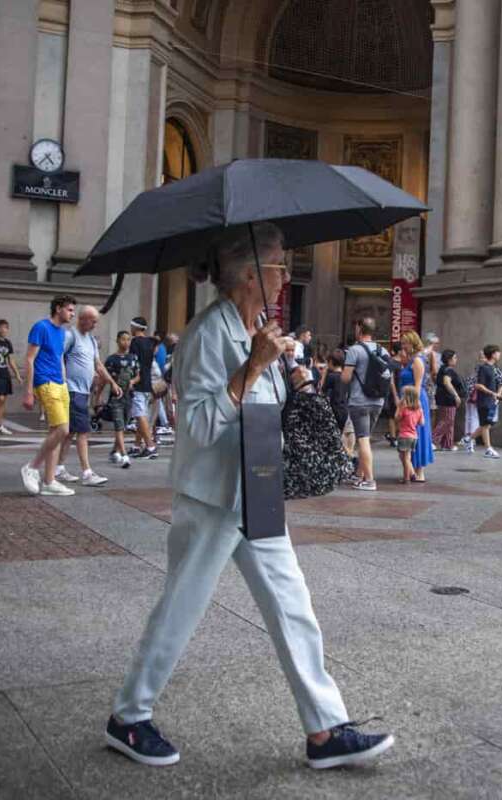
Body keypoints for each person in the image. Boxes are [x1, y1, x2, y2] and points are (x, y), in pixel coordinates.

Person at [107, 223, 393, 769]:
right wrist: (255, 366)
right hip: (213, 496)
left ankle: (325, 729)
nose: (287, 274)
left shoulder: (256, 328)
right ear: (249, 274)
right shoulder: (205, 335)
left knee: (293, 605)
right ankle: (128, 717)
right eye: (280, 264)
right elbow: (197, 424)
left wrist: (293, 376)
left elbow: (265, 406)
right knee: (182, 607)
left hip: (256, 489)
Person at [22, 295, 77, 497]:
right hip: (45, 382)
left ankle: (49, 481)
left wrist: (64, 382)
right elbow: (29, 359)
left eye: (73, 310)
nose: (72, 314)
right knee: (63, 430)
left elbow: (59, 358)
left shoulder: (62, 332)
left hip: (60, 384)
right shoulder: (41, 327)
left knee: (56, 432)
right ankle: (32, 467)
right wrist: (29, 391)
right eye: (70, 310)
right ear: (58, 308)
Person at [56, 305, 117, 487]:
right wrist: (63, 379)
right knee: (83, 431)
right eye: (93, 321)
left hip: (83, 392)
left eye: (96, 322)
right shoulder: (70, 335)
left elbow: (98, 364)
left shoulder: (90, 340)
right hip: (73, 391)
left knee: (70, 433)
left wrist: (111, 382)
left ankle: (58, 468)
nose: (95, 325)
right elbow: (57, 356)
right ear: (83, 319)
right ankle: (87, 473)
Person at [341, 316, 391, 491]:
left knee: (362, 440)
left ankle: (369, 481)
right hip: (378, 401)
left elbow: (346, 377)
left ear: (359, 329)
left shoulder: (354, 350)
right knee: (366, 439)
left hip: (359, 401)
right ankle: (360, 475)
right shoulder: (382, 350)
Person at [397, 330, 433, 481]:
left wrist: (411, 405)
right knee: (412, 432)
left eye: (405, 343)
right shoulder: (413, 359)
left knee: (415, 431)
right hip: (411, 399)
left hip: (414, 401)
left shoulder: (417, 360)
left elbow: (417, 385)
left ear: (412, 343)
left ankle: (418, 471)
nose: (403, 346)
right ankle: (413, 471)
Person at [105, 331, 139, 469]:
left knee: (123, 426)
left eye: (128, 339)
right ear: (118, 340)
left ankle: (115, 451)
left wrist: (132, 381)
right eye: (123, 339)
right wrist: (97, 396)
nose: (126, 342)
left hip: (129, 396)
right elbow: (104, 378)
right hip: (116, 397)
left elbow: (138, 375)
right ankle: (125, 456)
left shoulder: (133, 358)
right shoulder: (111, 359)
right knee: (119, 425)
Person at [127, 316, 159, 459]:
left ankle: (150, 446)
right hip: (148, 382)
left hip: (138, 382)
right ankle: (136, 446)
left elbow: (133, 363)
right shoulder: (151, 342)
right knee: (142, 414)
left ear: (135, 327)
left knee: (140, 415)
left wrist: (131, 381)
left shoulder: (135, 342)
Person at [468, 345, 502, 458]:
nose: (500, 354)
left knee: (487, 425)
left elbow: (501, 381)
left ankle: (468, 439)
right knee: (485, 425)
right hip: (484, 401)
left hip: (492, 401)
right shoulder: (483, 368)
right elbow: (478, 385)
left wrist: (497, 395)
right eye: (498, 352)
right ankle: (488, 449)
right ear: (493, 354)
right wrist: (492, 393)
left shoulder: (494, 368)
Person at [433, 349, 464, 451]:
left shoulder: (443, 369)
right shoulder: (448, 370)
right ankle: (432, 440)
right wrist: (456, 395)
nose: (456, 359)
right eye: (454, 358)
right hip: (448, 399)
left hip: (443, 398)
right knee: (447, 420)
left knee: (449, 420)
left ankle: (447, 444)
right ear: (449, 359)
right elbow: (447, 382)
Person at [395, 385, 423, 483]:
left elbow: (397, 417)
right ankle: (412, 474)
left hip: (404, 436)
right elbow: (421, 422)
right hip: (414, 436)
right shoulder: (419, 409)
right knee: (404, 456)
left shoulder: (404, 409)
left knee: (405, 458)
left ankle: (406, 478)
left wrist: (399, 407)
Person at [461, 352, 485, 450]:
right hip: (473, 394)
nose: (481, 358)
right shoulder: (482, 367)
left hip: (474, 394)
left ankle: (469, 436)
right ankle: (469, 437)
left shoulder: (481, 367)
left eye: (482, 356)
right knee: (472, 416)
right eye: (481, 356)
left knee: (472, 417)